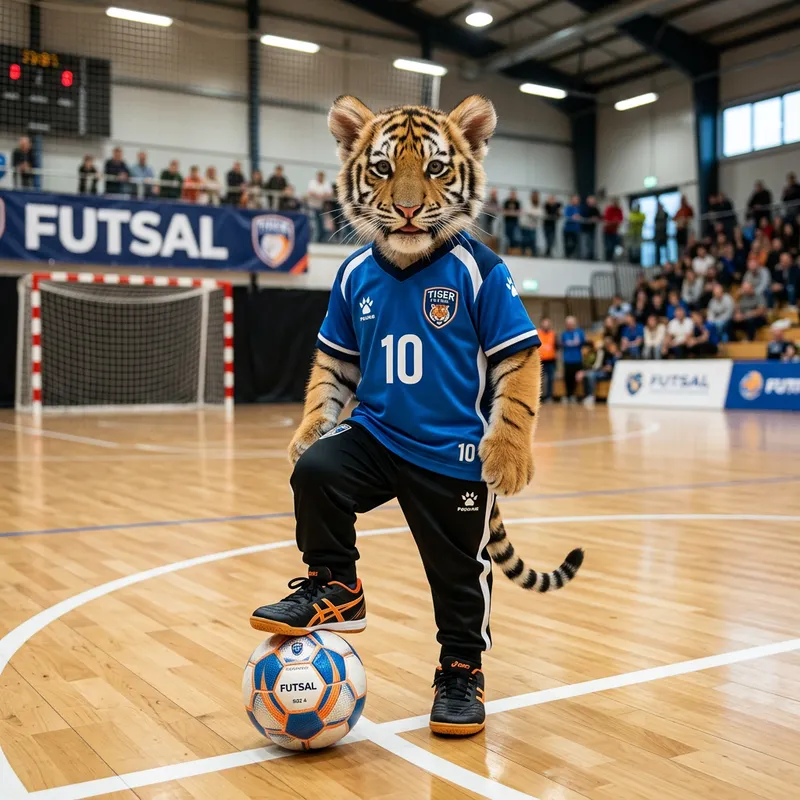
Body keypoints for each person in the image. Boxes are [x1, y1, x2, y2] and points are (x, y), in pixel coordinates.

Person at [250, 95, 586, 736]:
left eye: (435, 171)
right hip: (376, 435)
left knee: (459, 575)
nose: (407, 196)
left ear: (470, 163)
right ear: (352, 164)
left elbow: (520, 358)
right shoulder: (354, 273)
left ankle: (461, 669)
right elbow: (335, 365)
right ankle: (334, 586)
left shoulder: (479, 270)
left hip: (452, 451)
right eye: (380, 172)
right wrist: (317, 421)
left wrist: (511, 436)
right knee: (317, 470)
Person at [577, 337, 617, 407]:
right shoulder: (595, 353)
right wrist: (584, 372)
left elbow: (608, 366)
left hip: (606, 373)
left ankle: (591, 396)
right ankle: (586, 395)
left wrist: (608, 368)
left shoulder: (609, 354)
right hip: (598, 371)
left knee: (591, 375)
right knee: (587, 375)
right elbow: (593, 365)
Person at [560, 316, 585, 403]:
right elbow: (562, 345)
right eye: (568, 323)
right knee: (568, 378)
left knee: (577, 379)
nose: (569, 325)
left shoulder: (579, 332)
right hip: (567, 359)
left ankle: (575, 395)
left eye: (571, 323)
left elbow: (583, 344)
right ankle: (568, 395)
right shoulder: (564, 334)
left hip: (577, 359)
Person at [307, 171, 333, 242]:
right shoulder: (313, 182)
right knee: (315, 224)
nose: (320, 178)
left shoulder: (326, 183)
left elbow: (330, 193)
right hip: (313, 206)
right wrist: (319, 195)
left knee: (322, 224)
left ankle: (320, 239)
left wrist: (321, 195)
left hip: (323, 207)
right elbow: (310, 192)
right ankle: (314, 239)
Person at [537, 317, 557, 402]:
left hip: (551, 361)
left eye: (547, 323)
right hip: (540, 361)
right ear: (541, 324)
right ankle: (538, 397)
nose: (546, 325)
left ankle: (549, 396)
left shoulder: (553, 334)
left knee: (550, 379)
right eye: (544, 323)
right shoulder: (537, 333)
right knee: (539, 380)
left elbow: (557, 347)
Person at [519, 191, 542, 256]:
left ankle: (533, 254)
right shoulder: (527, 203)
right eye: (534, 196)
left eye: (536, 196)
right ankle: (523, 253)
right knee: (525, 240)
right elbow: (528, 211)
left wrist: (533, 214)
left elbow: (540, 213)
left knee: (533, 240)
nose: (535, 197)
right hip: (525, 225)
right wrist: (534, 214)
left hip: (533, 226)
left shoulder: (539, 204)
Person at [580, 195, 601, 260]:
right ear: (588, 201)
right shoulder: (584, 208)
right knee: (585, 243)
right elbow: (581, 217)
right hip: (584, 229)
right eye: (591, 201)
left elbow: (599, 216)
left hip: (592, 229)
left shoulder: (595, 209)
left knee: (592, 243)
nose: (592, 202)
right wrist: (589, 219)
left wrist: (596, 218)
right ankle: (584, 256)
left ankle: (591, 256)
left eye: (593, 201)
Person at [602, 197, 623, 261]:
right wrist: (613, 222)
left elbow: (620, 219)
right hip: (607, 231)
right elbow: (606, 220)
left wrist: (615, 222)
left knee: (615, 246)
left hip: (615, 231)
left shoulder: (619, 210)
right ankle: (608, 259)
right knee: (609, 247)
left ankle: (613, 259)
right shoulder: (609, 209)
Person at [502, 189, 521, 254]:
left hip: (514, 222)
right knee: (507, 235)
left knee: (514, 236)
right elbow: (504, 211)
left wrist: (511, 213)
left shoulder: (517, 202)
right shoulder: (507, 202)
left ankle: (513, 250)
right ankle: (508, 249)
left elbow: (519, 212)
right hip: (507, 222)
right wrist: (511, 213)